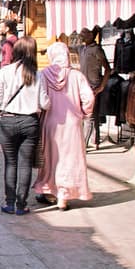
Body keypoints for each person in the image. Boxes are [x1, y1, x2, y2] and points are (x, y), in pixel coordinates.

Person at [33, 42, 95, 211]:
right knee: (70, 160)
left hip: (50, 123)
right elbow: (89, 98)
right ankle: (63, 198)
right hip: (72, 125)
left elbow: (40, 100)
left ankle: (51, 192)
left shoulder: (43, 75)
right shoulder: (77, 76)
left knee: (52, 159)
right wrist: (83, 113)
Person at [0, 37, 49, 215]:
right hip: (30, 123)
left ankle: (9, 202)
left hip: (7, 122)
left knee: (10, 163)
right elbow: (45, 103)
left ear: (15, 51)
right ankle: (21, 205)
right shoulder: (37, 75)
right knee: (25, 165)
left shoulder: (5, 72)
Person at [77, 27, 112, 149]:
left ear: (92, 35)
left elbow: (108, 69)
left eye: (85, 32)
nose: (82, 34)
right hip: (83, 86)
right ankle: (95, 141)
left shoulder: (97, 50)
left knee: (89, 116)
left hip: (93, 86)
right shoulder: (82, 49)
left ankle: (83, 145)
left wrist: (102, 86)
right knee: (93, 114)